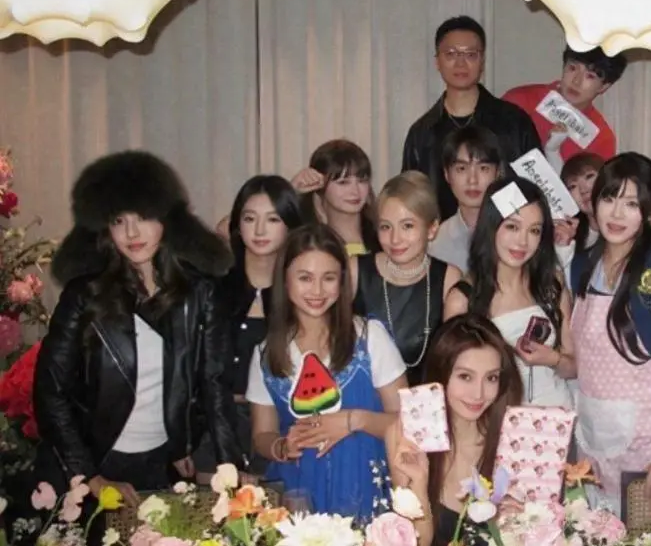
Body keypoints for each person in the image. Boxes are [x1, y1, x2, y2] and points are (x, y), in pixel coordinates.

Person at [35, 150, 243, 507]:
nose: (132, 232)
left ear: (167, 218)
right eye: (119, 220)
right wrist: (88, 475)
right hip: (96, 463)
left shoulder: (199, 293)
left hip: (161, 463)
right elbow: (50, 391)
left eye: (144, 216)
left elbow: (212, 385)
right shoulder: (85, 294)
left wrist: (228, 471)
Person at [567, 152, 651, 514]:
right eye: (609, 198)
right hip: (594, 442)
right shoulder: (585, 264)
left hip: (650, 446)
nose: (615, 214)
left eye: (631, 204)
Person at [245, 224, 407, 518]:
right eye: (305, 278)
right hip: (298, 497)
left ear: (342, 281)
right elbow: (262, 434)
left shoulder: (370, 337)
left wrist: (354, 420)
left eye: (329, 278)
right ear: (284, 279)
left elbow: (407, 423)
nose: (318, 290)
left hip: (368, 491)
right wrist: (281, 447)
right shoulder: (265, 353)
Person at [193, 175, 306, 482]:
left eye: (273, 219)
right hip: (214, 425)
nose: (259, 230)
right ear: (236, 224)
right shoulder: (212, 286)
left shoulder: (302, 290)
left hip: (278, 426)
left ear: (290, 225)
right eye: (249, 218)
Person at [386, 314, 524, 546]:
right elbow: (416, 542)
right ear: (441, 374)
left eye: (491, 378)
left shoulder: (515, 439)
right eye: (465, 377)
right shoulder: (406, 433)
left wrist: (522, 524)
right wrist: (418, 482)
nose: (478, 394)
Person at [443, 177, 575, 408]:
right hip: (497, 420)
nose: (522, 241)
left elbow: (573, 368)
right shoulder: (462, 300)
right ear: (491, 226)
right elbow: (454, 381)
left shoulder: (552, 283)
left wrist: (552, 359)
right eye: (512, 227)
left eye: (534, 230)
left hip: (557, 416)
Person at [402, 16, 540, 219]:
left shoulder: (515, 122)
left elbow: (537, 191)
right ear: (437, 61)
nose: (460, 63)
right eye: (451, 54)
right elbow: (411, 203)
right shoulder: (421, 133)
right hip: (441, 237)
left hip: (506, 234)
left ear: (482, 61)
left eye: (470, 55)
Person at [353, 171, 464, 385]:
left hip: (426, 399)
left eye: (407, 226)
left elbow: (454, 359)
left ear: (432, 228)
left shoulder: (448, 278)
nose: (395, 239)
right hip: (364, 398)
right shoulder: (356, 270)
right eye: (386, 227)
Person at [502, 46, 626, 169]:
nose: (576, 81)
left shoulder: (602, 138)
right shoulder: (519, 100)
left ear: (604, 87)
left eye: (590, 76)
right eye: (572, 68)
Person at [427, 126, 504, 273]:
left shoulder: (517, 234)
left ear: (498, 172)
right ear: (446, 174)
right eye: (462, 169)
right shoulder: (435, 243)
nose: (472, 180)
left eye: (483, 168)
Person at [292, 139, 380, 256]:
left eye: (362, 181)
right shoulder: (307, 242)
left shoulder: (383, 235)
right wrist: (291, 192)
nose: (355, 191)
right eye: (343, 182)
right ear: (318, 185)